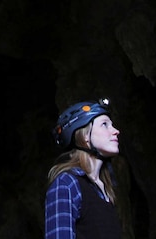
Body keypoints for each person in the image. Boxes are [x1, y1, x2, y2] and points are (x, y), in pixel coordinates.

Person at [45, 98, 121, 239]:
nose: (116, 131)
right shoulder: (67, 184)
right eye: (105, 124)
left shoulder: (106, 191)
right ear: (85, 136)